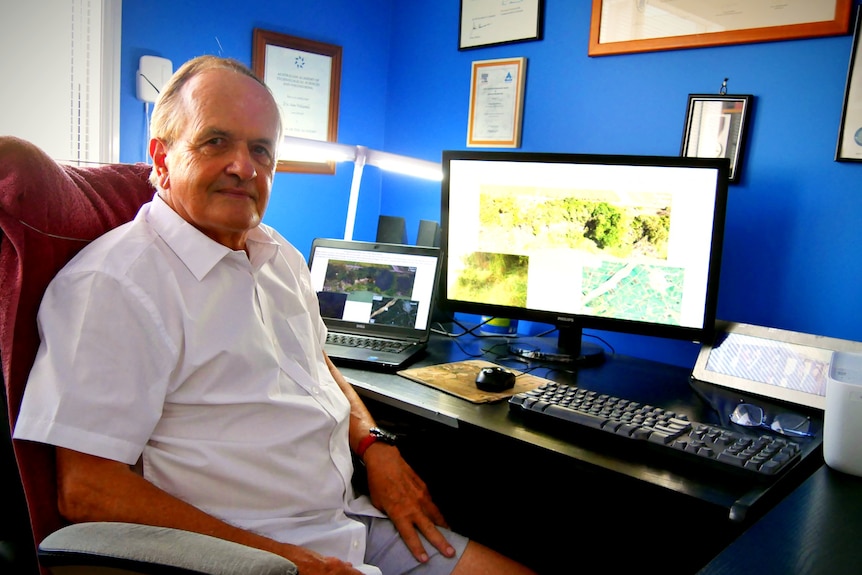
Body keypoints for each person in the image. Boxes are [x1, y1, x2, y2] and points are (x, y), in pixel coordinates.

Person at [13, 55, 534, 575]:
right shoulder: (114, 284)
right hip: (245, 557)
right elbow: (88, 491)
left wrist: (375, 445)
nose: (245, 166)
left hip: (347, 523)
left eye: (261, 149)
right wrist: (289, 560)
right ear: (162, 158)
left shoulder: (277, 253)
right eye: (215, 141)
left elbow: (317, 366)